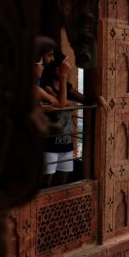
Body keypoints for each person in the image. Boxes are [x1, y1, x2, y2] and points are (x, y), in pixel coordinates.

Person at [41, 51, 84, 187]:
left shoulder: (66, 87)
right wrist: (64, 76)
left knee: (62, 180)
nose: (68, 67)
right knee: (46, 182)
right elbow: (61, 102)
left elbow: (81, 99)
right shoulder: (47, 87)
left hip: (66, 143)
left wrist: (99, 98)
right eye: (64, 65)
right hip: (50, 143)